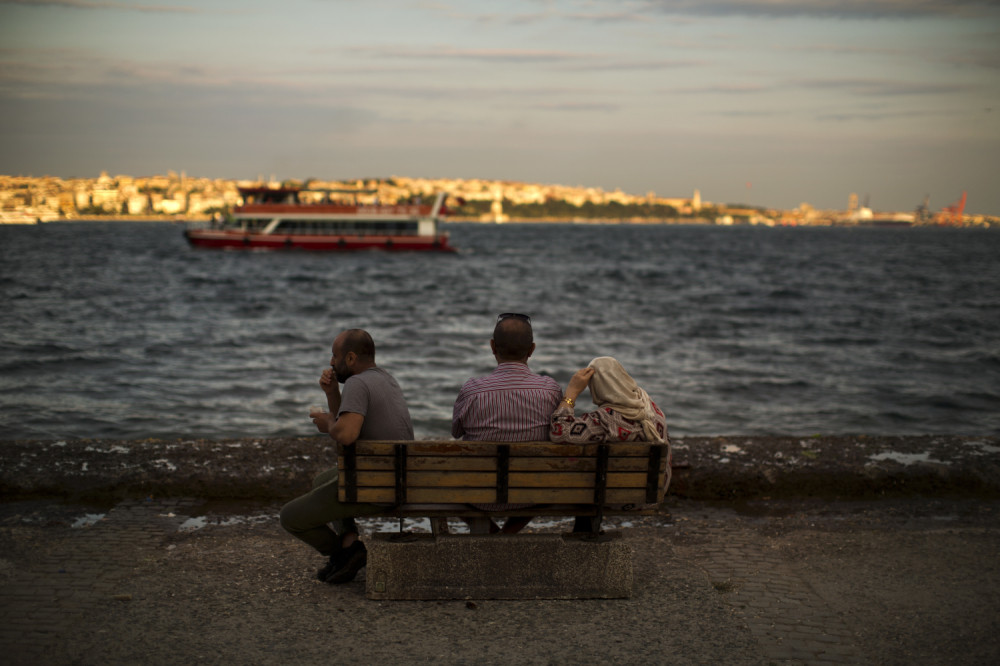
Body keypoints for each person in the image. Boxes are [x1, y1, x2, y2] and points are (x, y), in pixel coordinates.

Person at [279, 329, 414, 584]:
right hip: (397, 478)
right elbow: (349, 420)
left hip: (378, 487)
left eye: (334, 355)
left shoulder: (357, 382)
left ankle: (345, 554)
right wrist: (332, 394)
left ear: (350, 358)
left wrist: (329, 424)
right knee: (323, 481)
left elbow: (347, 434)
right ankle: (350, 544)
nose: (331, 362)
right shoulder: (385, 379)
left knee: (290, 517)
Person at [452, 312, 563, 533]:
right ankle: (507, 533)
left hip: (477, 495)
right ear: (531, 349)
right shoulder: (551, 390)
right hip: (534, 494)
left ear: (492, 346)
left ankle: (494, 534)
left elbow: (456, 431)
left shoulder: (472, 390)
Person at [550, 356, 670, 532]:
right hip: (650, 493)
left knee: (584, 479)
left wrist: (571, 394)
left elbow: (559, 433)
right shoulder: (649, 405)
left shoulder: (605, 419)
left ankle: (584, 535)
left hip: (620, 498)